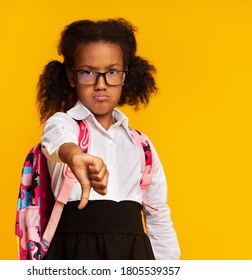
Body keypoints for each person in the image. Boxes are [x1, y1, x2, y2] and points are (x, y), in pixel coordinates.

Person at [37, 18, 181, 260]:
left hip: (135, 257)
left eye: (112, 72)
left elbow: (158, 216)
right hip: (75, 255)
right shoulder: (64, 125)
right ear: (72, 77)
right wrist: (74, 155)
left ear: (125, 76)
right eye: (88, 72)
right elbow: (55, 139)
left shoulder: (141, 145)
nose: (101, 84)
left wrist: (168, 267)